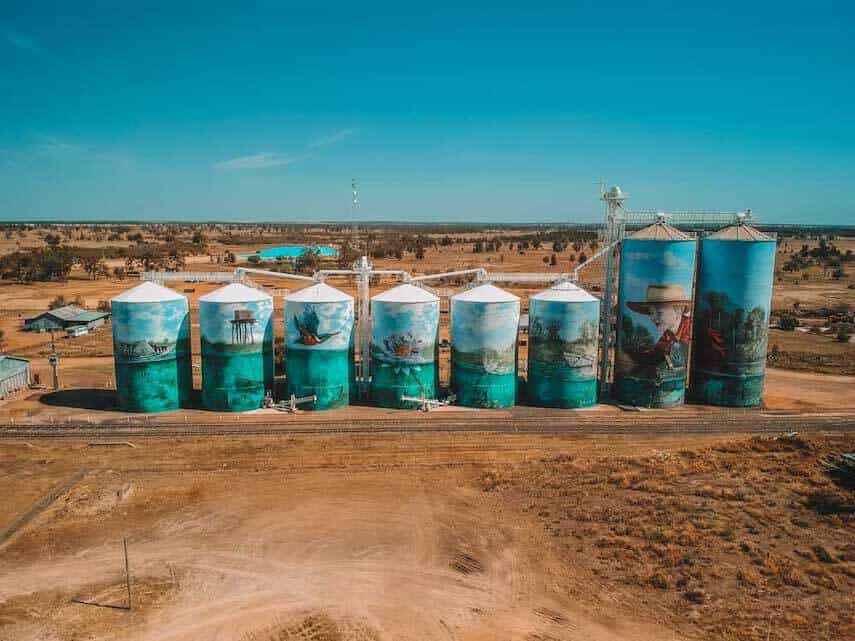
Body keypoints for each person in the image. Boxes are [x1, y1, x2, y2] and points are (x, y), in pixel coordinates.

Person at [620, 284, 692, 379]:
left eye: (659, 313)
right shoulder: (668, 334)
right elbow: (655, 355)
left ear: (679, 310)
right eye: (651, 313)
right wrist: (630, 357)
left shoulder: (691, 330)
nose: (653, 318)